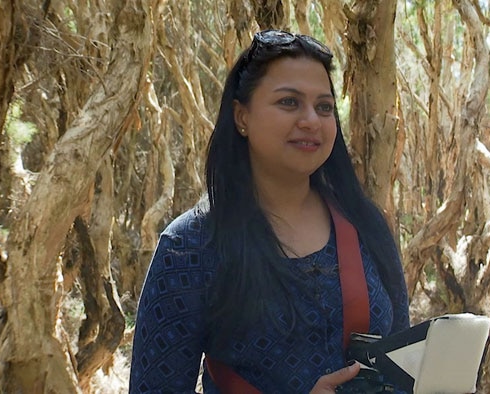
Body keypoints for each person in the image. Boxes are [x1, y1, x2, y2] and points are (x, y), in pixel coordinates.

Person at [129, 29, 410, 393]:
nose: (311, 120)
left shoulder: (365, 225)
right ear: (241, 116)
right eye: (289, 102)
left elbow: (402, 362)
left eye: (324, 107)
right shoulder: (190, 247)